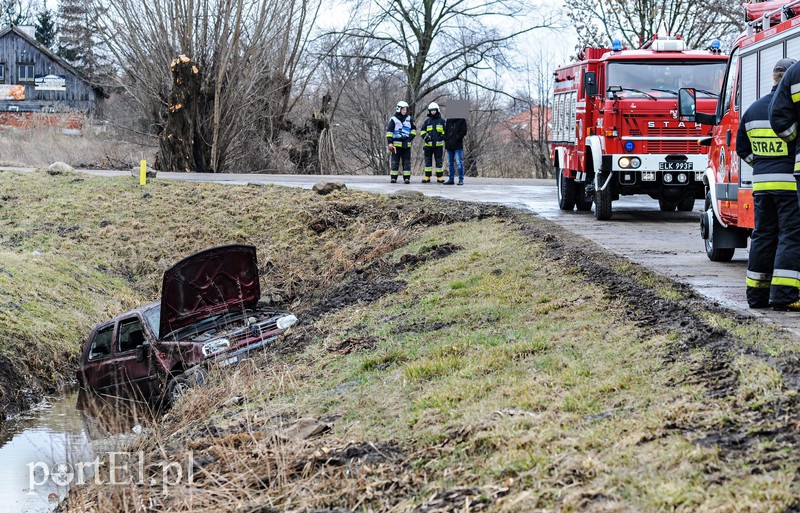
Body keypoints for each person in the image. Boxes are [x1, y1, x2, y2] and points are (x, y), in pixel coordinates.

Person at [740, 58, 800, 310]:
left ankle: (756, 296)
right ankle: (784, 295)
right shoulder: (790, 109)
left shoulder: (752, 110)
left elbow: (742, 148)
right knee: (790, 235)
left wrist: (763, 166)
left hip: (762, 185)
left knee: (762, 236)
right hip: (789, 183)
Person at [385, 101, 416, 184]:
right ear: (399, 109)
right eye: (403, 109)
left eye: (406, 109)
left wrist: (408, 139)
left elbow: (413, 131)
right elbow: (389, 132)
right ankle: (393, 178)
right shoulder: (393, 119)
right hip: (396, 145)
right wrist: (390, 143)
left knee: (406, 162)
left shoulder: (409, 119)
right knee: (395, 162)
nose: (405, 111)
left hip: (406, 144)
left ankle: (407, 178)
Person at [419, 102, 446, 183]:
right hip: (428, 145)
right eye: (431, 110)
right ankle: (427, 177)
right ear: (429, 111)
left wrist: (442, 137)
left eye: (434, 110)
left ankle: (439, 177)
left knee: (439, 162)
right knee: (428, 161)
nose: (433, 112)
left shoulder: (442, 121)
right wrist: (425, 137)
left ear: (437, 110)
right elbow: (422, 131)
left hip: (438, 146)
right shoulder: (427, 121)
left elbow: (446, 131)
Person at [444, 116, 467, 185]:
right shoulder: (449, 120)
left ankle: (461, 179)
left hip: (457, 145)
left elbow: (464, 131)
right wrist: (445, 138)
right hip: (449, 145)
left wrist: (457, 138)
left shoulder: (462, 119)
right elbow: (446, 130)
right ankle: (451, 179)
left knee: (459, 162)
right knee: (450, 162)